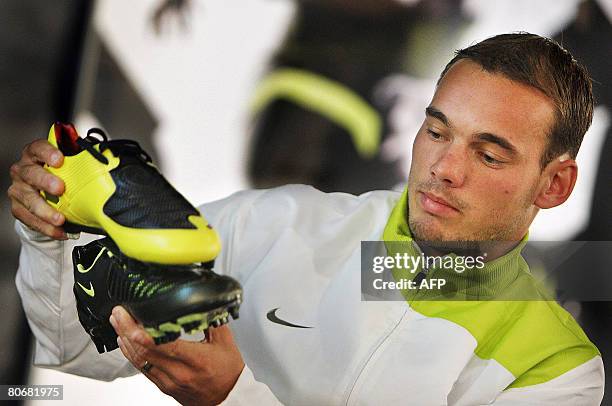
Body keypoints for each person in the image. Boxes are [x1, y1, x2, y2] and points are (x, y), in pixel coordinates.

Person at [8, 33, 604, 405]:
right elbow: (78, 350)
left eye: (489, 152)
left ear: (554, 184)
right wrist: (51, 238)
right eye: (437, 130)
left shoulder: (557, 369)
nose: (445, 167)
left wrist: (233, 398)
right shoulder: (282, 224)